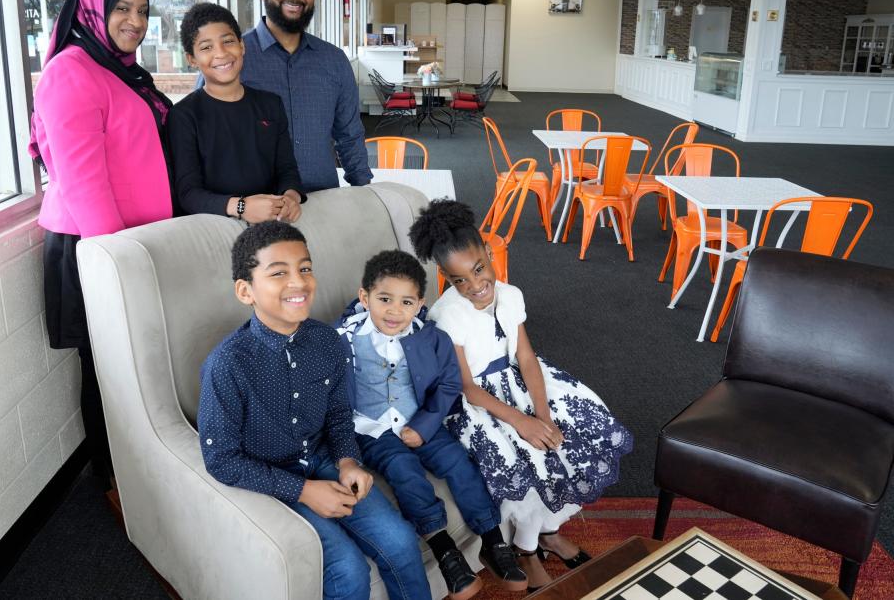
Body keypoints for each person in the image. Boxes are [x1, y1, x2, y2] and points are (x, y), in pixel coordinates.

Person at [408, 200, 634, 592]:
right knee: (531, 457)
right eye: (460, 279)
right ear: (445, 277)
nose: (475, 285)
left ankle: (548, 531)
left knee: (579, 434)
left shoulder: (510, 295)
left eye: (479, 269)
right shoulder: (447, 316)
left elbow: (526, 356)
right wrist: (522, 421)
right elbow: (467, 387)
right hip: (481, 401)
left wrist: (541, 413)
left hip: (523, 382)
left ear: (489, 255)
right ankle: (526, 550)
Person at [197, 222, 431, 600]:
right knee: (348, 570)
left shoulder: (328, 342)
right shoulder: (227, 364)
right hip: (272, 479)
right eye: (279, 273)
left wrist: (348, 462)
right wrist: (303, 490)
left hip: (322, 459)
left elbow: (338, 417)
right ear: (246, 291)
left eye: (305, 269)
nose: (298, 282)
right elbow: (221, 459)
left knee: (402, 541)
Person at [28, 0, 173, 486]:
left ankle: (141, 472)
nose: (134, 20)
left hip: (133, 243)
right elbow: (83, 179)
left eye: (142, 10)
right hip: (95, 248)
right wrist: (118, 263)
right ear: (91, 10)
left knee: (133, 365)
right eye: (121, 8)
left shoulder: (117, 68)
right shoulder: (70, 71)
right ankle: (114, 481)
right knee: (108, 370)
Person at [335, 250, 527, 599]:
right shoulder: (342, 340)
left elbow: (448, 385)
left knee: (458, 462)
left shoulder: (430, 337)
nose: (395, 311)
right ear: (364, 298)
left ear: (419, 303)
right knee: (403, 469)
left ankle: (492, 540)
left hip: (422, 420)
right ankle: (444, 548)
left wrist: (424, 425)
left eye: (406, 302)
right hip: (372, 430)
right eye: (384, 300)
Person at [238, 0, 372, 192]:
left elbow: (349, 135)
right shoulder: (233, 58)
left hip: (322, 201)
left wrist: (364, 191)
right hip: (256, 207)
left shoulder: (334, 61)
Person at [168, 2, 305, 223]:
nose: (221, 53)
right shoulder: (184, 115)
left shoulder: (271, 104)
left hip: (271, 225)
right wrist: (240, 206)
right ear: (191, 59)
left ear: (242, 46)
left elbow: (287, 170)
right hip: (213, 230)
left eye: (228, 41)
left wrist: (291, 197)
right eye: (206, 47)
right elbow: (188, 194)